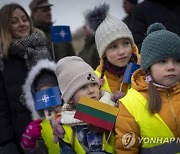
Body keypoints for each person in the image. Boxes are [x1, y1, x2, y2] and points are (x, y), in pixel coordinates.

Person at [115, 23, 180, 154]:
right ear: (148, 67)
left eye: (177, 61)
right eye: (162, 61)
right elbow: (126, 149)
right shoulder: (131, 104)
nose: (171, 67)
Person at [0, 3, 51, 154]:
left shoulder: (45, 50)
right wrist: (7, 144)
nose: (22, 24)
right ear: (5, 26)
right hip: (21, 139)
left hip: (54, 131)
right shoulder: (2, 61)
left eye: (24, 19)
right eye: (14, 21)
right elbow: (1, 109)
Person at [54, 56, 116, 154]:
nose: (91, 91)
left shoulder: (115, 110)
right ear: (70, 98)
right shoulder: (65, 128)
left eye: (93, 84)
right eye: (83, 87)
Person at [85, 3, 140, 101]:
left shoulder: (146, 69)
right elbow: (83, 111)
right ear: (103, 53)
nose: (122, 51)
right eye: (113, 46)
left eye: (126, 43)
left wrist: (128, 100)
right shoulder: (94, 79)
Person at [20, 59, 63, 154]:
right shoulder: (39, 125)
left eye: (51, 90)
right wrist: (30, 145)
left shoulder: (74, 109)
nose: (47, 96)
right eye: (41, 92)